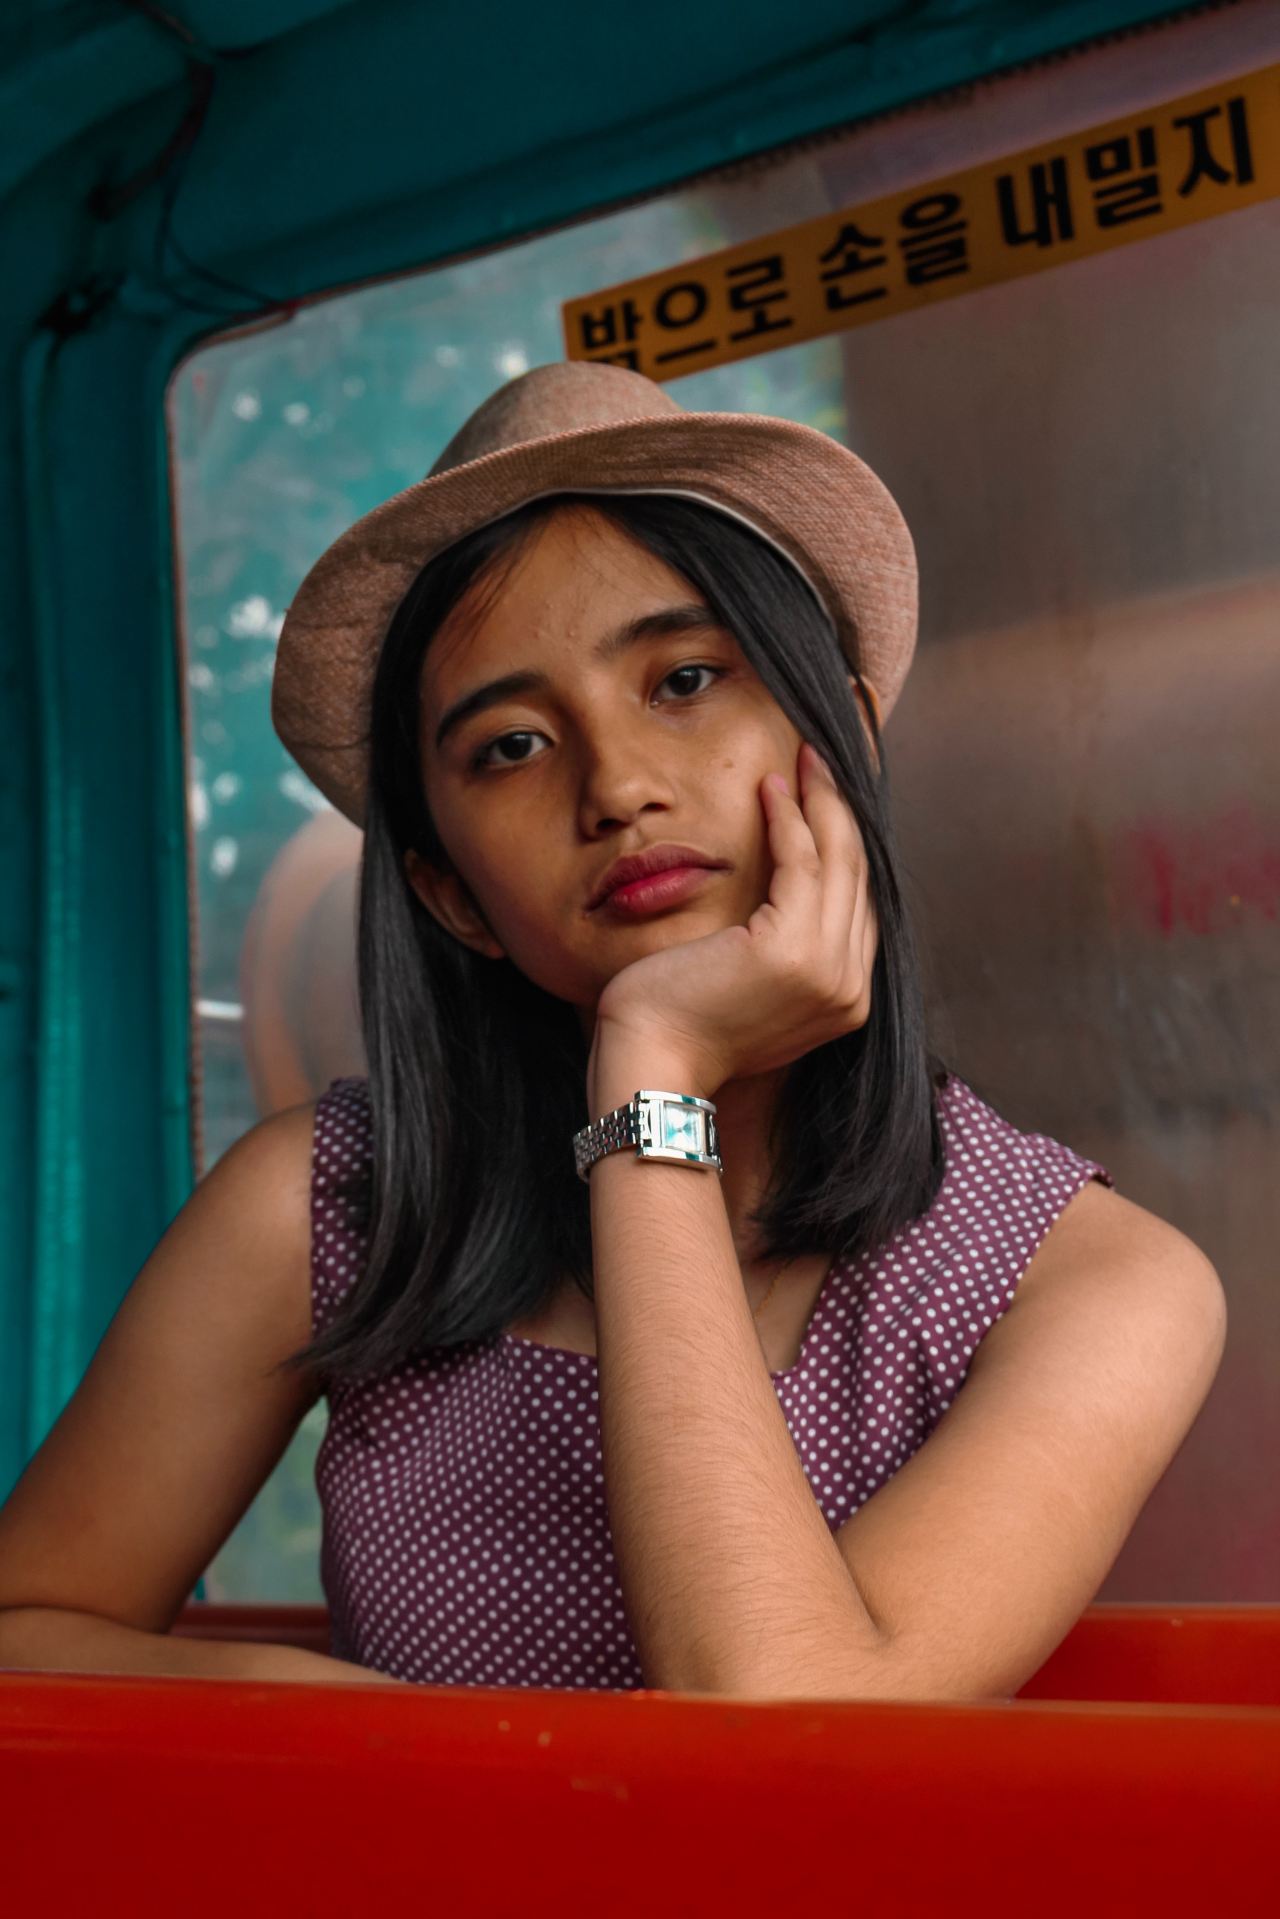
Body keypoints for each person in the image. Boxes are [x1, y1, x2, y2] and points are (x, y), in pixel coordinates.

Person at [0, 363, 1226, 1701]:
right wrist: (334, 1719)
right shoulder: (326, 1207)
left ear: (844, 741)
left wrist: (652, 1072)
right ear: (452, 891)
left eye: (687, 679)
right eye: (512, 748)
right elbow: (24, 1635)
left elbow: (777, 1730)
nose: (621, 786)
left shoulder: (1092, 1285)